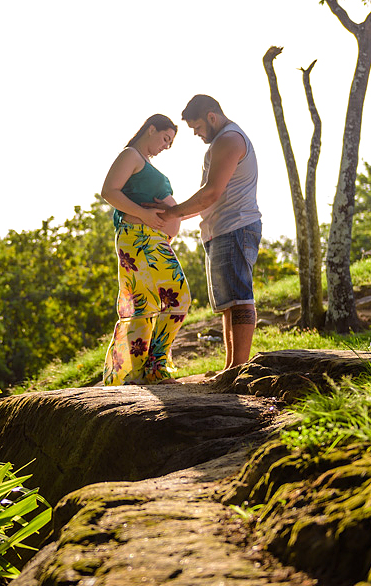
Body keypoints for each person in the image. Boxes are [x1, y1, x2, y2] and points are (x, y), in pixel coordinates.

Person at [158, 95, 262, 369]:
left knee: (239, 299)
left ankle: (239, 369)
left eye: (197, 127)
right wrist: (172, 219)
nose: (196, 133)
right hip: (220, 231)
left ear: (211, 117)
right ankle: (232, 368)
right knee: (228, 303)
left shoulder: (229, 139)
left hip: (236, 228)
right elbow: (210, 198)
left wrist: (173, 212)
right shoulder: (219, 142)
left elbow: (211, 193)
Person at [99, 114, 192, 385]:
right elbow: (109, 191)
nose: (166, 146)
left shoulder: (146, 162)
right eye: (165, 138)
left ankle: (147, 369)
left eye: (171, 143)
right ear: (151, 129)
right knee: (156, 302)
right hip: (137, 238)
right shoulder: (131, 155)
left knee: (166, 301)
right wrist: (145, 215)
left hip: (152, 240)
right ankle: (145, 371)